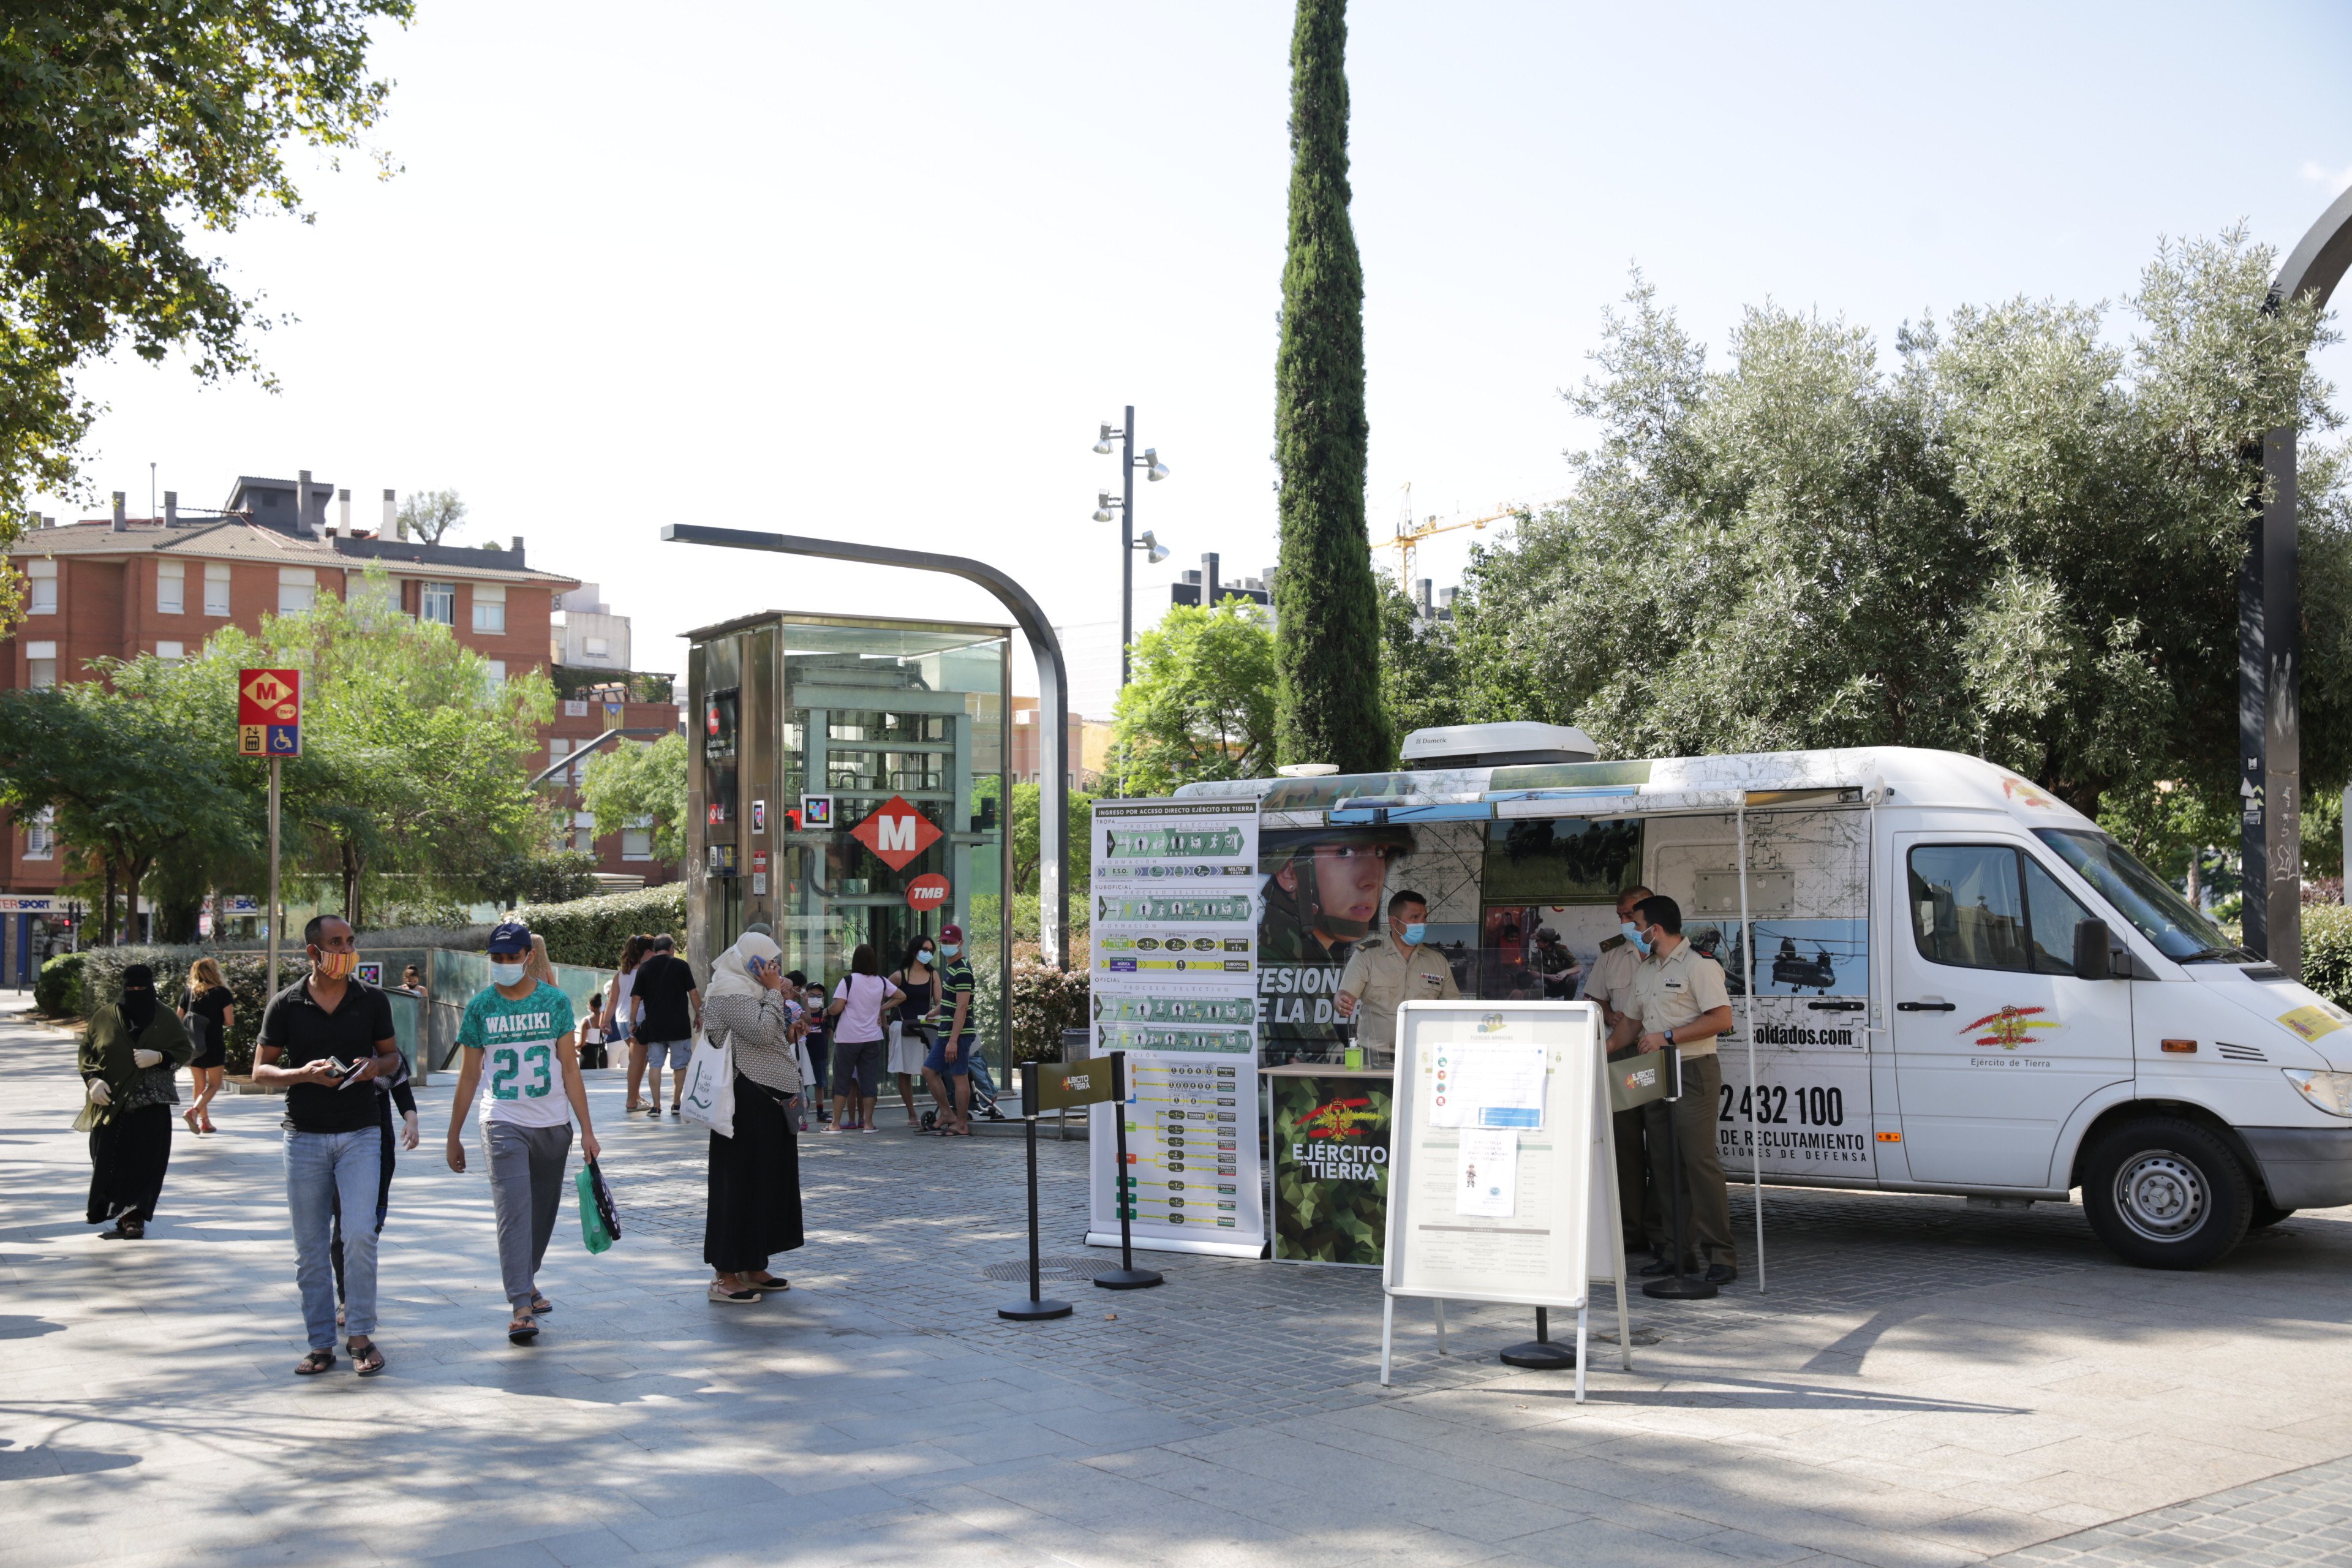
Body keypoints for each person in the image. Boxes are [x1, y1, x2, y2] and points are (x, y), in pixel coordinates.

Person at [253, 914, 401, 1376]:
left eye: (351, 940)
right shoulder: (286, 1004)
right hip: (304, 1138)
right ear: (313, 952)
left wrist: (376, 1067)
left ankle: (359, 1335)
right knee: (310, 1247)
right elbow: (260, 1070)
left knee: (358, 1233)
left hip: (361, 1132)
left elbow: (394, 1056)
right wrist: (303, 1074)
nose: (347, 948)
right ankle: (320, 1344)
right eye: (337, 942)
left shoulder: (371, 999)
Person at [444, 921, 601, 1344]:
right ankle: (520, 1306)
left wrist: (587, 1130)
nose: (504, 964)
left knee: (542, 1214)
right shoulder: (480, 1007)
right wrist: (453, 1133)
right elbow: (469, 1076)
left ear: (528, 957)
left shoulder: (555, 1002)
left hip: (552, 1124)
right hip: (502, 1121)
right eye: (497, 958)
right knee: (514, 1213)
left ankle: (526, 1279)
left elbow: (570, 1068)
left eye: (512, 957)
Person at [1612, 894, 1738, 1285]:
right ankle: (1676, 1252)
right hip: (1656, 1074)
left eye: (1637, 924)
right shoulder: (1648, 969)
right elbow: (1630, 1024)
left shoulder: (1700, 966)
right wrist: (1597, 1050)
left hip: (1693, 1070)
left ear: (1657, 928)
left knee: (1698, 1163)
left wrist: (1669, 1036)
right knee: (1664, 1165)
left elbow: (1721, 1019)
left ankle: (1721, 1254)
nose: (1634, 931)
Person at [699, 931, 805, 1302]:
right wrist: (776, 991)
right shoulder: (730, 990)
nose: (775, 968)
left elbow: (769, 1036)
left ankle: (753, 1264)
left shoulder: (755, 991)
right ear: (751, 961)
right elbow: (760, 1034)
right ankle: (724, 1275)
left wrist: (785, 1012)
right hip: (743, 1103)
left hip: (770, 1102)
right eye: (770, 961)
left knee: (765, 1184)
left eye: (776, 962)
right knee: (737, 1186)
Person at [80, 964, 194, 1240]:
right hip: (111, 1102)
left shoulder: (165, 1017)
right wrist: (93, 1080)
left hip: (151, 1104)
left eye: (141, 989)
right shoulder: (104, 1017)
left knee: (146, 1162)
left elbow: (184, 1050)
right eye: (130, 989)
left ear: (151, 988)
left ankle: (134, 1216)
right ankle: (116, 1210)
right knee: (107, 1159)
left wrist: (160, 1057)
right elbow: (87, 1051)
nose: (135, 994)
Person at [1586, 884, 1663, 1265]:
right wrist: (1610, 1014)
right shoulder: (1612, 954)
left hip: (1661, 1053)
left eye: (1630, 913)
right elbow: (1594, 998)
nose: (1625, 921)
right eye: (1620, 915)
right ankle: (1630, 1233)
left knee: (1663, 1145)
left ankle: (1663, 1233)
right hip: (1623, 1053)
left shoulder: (1672, 950)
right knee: (1625, 1146)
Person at [331, 1031, 418, 1325]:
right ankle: (347, 1298)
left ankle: (356, 1289)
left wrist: (412, 1120)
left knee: (369, 1225)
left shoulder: (386, 1054)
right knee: (344, 1225)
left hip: (378, 1139)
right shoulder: (328, 1043)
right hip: (332, 1137)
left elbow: (401, 1090)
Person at [1334, 891, 1460, 1067]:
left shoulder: (1437, 961)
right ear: (1394, 922)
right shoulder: (1368, 956)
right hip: (1375, 1058)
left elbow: (1455, 1008)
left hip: (1423, 1058)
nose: (1422, 923)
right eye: (1415, 917)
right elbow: (1345, 994)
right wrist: (1342, 1002)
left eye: (1424, 917)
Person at [826, 945, 903, 1134]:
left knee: (842, 1080)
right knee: (868, 1080)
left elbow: (837, 1008)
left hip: (848, 1038)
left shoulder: (849, 981)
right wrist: (882, 1008)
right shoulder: (882, 982)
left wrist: (826, 1011)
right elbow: (902, 996)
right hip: (872, 1038)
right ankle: (868, 1123)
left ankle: (835, 1123)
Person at [630, 934, 700, 1118]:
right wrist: (700, 1015)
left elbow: (636, 999)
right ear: (671, 948)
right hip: (679, 1026)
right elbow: (693, 993)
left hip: (655, 1027)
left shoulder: (645, 967)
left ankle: (656, 1106)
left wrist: (632, 1022)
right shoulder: (681, 966)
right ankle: (677, 1104)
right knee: (679, 1066)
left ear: (654, 950)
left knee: (655, 1065)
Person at [922, 923, 978, 1136]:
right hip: (946, 1031)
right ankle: (947, 1113)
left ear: (960, 943)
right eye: (944, 943)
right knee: (929, 1070)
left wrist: (954, 1040)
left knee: (959, 1076)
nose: (947, 946)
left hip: (959, 1034)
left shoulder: (962, 970)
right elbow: (952, 1000)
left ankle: (962, 1124)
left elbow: (963, 1007)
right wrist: (936, 1010)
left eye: (950, 942)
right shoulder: (951, 968)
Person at [177, 956, 234, 1135]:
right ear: (214, 972)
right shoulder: (222, 993)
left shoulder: (189, 992)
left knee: (199, 1085)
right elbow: (230, 1021)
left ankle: (205, 1122)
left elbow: (178, 1019)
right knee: (215, 1085)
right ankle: (193, 1112)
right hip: (213, 1044)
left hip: (194, 1045)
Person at [888, 937, 939, 1131]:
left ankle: (941, 1107)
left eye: (931, 950)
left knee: (930, 1070)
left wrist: (935, 1013)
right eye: (924, 949)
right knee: (905, 1071)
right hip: (903, 1027)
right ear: (914, 950)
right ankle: (911, 1112)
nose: (928, 953)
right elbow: (880, 994)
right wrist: (883, 1016)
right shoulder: (900, 975)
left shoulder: (933, 975)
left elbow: (940, 1001)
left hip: (925, 1027)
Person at [606, 933, 652, 1110]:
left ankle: (635, 1094)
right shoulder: (646, 972)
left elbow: (612, 1000)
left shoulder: (621, 974)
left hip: (621, 1021)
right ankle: (631, 1101)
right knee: (637, 1061)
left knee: (639, 1060)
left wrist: (606, 1021)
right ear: (648, 952)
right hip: (637, 1020)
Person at [796, 974, 832, 1123]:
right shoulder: (800, 1012)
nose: (816, 998)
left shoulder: (825, 1013)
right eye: (812, 995)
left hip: (820, 1054)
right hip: (805, 1054)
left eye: (819, 996)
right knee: (803, 1084)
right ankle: (801, 1114)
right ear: (805, 996)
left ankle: (820, 1113)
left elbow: (829, 1032)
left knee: (820, 1084)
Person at [1531, 926, 1581, 1001]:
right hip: (1546, 984)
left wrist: (1565, 972)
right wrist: (1550, 977)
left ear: (1546, 943)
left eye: (1538, 940)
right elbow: (1533, 973)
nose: (1536, 942)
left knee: (1573, 979)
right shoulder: (1537, 952)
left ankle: (1568, 1004)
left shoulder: (1561, 950)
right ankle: (1538, 1008)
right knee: (1536, 983)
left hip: (1561, 984)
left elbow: (1578, 968)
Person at [581, 990, 609, 1069]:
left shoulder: (586, 1020)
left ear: (592, 1006)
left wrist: (573, 1046)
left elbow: (582, 1043)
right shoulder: (606, 1019)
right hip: (602, 1051)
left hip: (588, 1053)